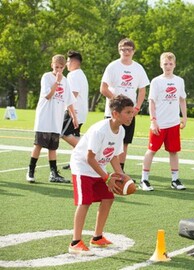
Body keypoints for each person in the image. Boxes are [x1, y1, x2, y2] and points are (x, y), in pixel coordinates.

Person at [68, 95, 134, 255]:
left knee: (108, 199)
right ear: (116, 114)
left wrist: (121, 175)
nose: (131, 115)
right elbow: (89, 158)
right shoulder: (100, 130)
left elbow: (113, 156)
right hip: (82, 166)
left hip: (99, 166)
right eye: (128, 112)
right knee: (84, 202)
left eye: (132, 112)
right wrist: (107, 178)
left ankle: (97, 237)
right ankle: (75, 242)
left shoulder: (121, 130)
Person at [100, 38, 149, 176]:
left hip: (129, 113)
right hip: (113, 112)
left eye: (129, 49)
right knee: (108, 141)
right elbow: (103, 89)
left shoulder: (138, 68)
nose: (126, 52)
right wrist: (117, 102)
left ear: (133, 51)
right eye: (123, 49)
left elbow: (142, 90)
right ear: (119, 50)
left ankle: (120, 171)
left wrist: (137, 108)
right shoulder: (112, 66)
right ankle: (101, 169)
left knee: (124, 143)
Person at [140, 52, 188, 191]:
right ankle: (144, 179)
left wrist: (184, 117)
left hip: (173, 123)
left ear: (175, 65)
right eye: (165, 64)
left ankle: (175, 179)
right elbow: (151, 102)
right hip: (159, 123)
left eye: (170, 64)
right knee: (151, 150)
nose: (168, 66)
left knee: (173, 151)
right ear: (161, 65)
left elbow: (182, 100)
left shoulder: (179, 81)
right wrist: (153, 121)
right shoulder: (156, 81)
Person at [27, 54, 77, 183]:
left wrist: (74, 116)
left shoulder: (65, 81)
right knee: (38, 144)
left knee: (53, 147)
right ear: (52, 65)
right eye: (56, 67)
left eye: (61, 68)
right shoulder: (47, 77)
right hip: (45, 117)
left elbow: (69, 100)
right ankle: (31, 170)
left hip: (57, 118)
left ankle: (54, 173)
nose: (58, 70)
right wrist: (57, 81)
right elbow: (48, 95)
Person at [61, 50, 89, 154]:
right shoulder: (81, 74)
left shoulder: (73, 75)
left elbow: (73, 95)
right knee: (75, 135)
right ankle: (76, 161)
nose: (66, 64)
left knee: (63, 133)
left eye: (68, 61)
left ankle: (86, 153)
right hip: (81, 111)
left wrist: (70, 112)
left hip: (74, 111)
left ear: (74, 62)